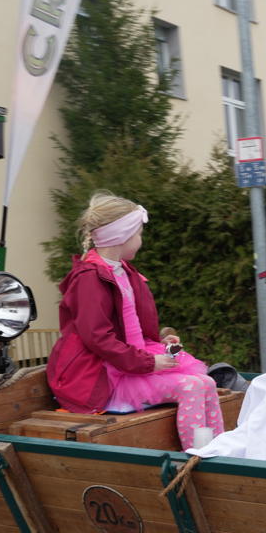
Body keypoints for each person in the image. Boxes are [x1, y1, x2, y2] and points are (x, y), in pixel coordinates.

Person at [46, 191, 223, 450]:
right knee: (191, 387)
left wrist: (159, 342)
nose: (141, 240)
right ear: (122, 236)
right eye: (139, 233)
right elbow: (97, 337)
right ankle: (197, 456)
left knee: (206, 382)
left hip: (127, 367)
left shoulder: (122, 271)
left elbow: (130, 326)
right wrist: (148, 362)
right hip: (102, 379)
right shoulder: (90, 278)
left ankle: (219, 450)